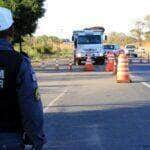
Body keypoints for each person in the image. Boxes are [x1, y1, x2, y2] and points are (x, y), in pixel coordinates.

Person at [0, 7, 46, 150]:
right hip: (7, 137)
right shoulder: (18, 62)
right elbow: (30, 105)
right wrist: (36, 138)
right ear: (11, 30)